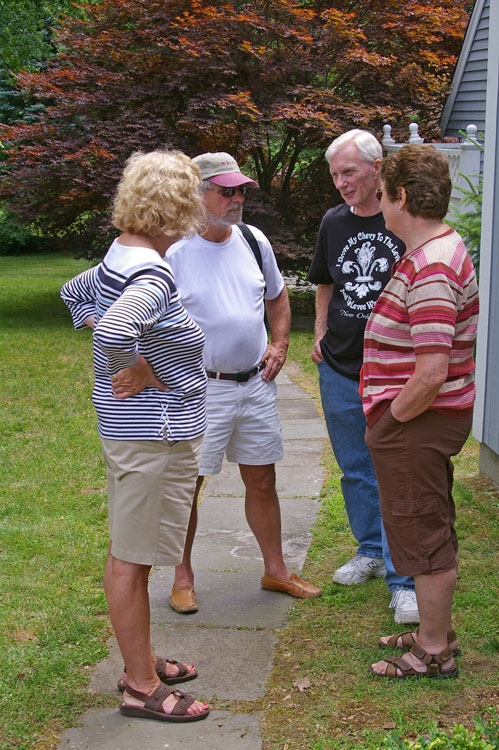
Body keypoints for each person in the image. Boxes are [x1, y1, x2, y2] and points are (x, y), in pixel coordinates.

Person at [113, 151, 322, 612]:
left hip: (255, 385)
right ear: (196, 193)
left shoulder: (252, 239)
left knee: (262, 479)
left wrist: (280, 344)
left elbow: (278, 296)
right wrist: (150, 367)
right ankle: (182, 578)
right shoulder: (172, 250)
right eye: (226, 190)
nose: (237, 199)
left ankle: (276, 571)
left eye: (241, 190)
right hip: (199, 388)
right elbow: (141, 320)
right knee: (189, 486)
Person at [60, 150, 210, 722]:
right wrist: (143, 364)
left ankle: (140, 659)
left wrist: (118, 340)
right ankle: (141, 685)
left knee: (136, 552)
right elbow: (118, 328)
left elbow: (78, 294)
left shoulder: (120, 253)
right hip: (151, 437)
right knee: (132, 558)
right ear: (177, 208)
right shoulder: (151, 271)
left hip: (136, 434)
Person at [363, 143, 479, 678]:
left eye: (383, 194)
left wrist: (389, 424)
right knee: (428, 521)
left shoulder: (432, 265)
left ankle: (432, 652)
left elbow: (431, 371)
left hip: (417, 422)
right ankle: (435, 629)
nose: (380, 204)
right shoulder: (436, 249)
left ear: (401, 197)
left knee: (421, 529)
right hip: (423, 422)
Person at [307, 129, 419, 624]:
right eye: (335, 175)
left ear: (377, 168)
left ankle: (405, 580)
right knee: (355, 467)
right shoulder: (333, 223)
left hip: (395, 368)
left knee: (395, 471)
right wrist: (319, 333)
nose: (341, 183)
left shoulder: (404, 220)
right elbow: (325, 283)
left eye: (349, 172)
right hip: (339, 365)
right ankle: (370, 549)